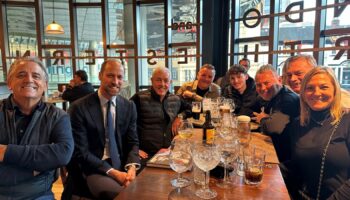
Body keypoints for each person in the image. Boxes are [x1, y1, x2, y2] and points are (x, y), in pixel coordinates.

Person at [0, 57, 74, 199]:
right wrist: (32, 170)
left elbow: (63, 153)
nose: (29, 80)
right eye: (21, 75)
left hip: (39, 194)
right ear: (10, 83)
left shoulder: (58, 116)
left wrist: (5, 151)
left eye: (36, 76)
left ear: (45, 85)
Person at [67, 60, 140, 199]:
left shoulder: (129, 106)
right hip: (93, 168)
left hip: (122, 165)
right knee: (125, 196)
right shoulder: (79, 108)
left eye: (120, 77)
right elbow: (81, 153)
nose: (116, 81)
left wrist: (131, 167)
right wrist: (114, 173)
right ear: (100, 75)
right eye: (110, 76)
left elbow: (133, 142)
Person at [285, 67, 350, 199]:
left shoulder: (347, 120)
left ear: (335, 90)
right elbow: (297, 166)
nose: (316, 93)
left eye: (324, 87)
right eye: (309, 88)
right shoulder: (298, 124)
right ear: (303, 93)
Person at [130, 66, 189, 168]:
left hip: (169, 152)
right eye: (158, 80)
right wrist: (134, 148)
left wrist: (180, 116)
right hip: (145, 154)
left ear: (170, 82)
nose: (162, 84)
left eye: (166, 81)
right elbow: (124, 124)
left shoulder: (175, 99)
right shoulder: (139, 98)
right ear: (152, 81)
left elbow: (191, 109)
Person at [253, 64, 299, 162]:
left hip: (288, 160)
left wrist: (262, 119)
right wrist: (267, 118)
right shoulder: (274, 96)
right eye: (258, 85)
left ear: (279, 80)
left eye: (267, 83)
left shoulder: (288, 98)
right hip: (276, 150)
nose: (263, 88)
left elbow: (273, 128)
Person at [282, 54, 350, 109]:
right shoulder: (295, 99)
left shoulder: (344, 101)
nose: (292, 79)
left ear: (314, 71)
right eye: (289, 75)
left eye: (298, 73)